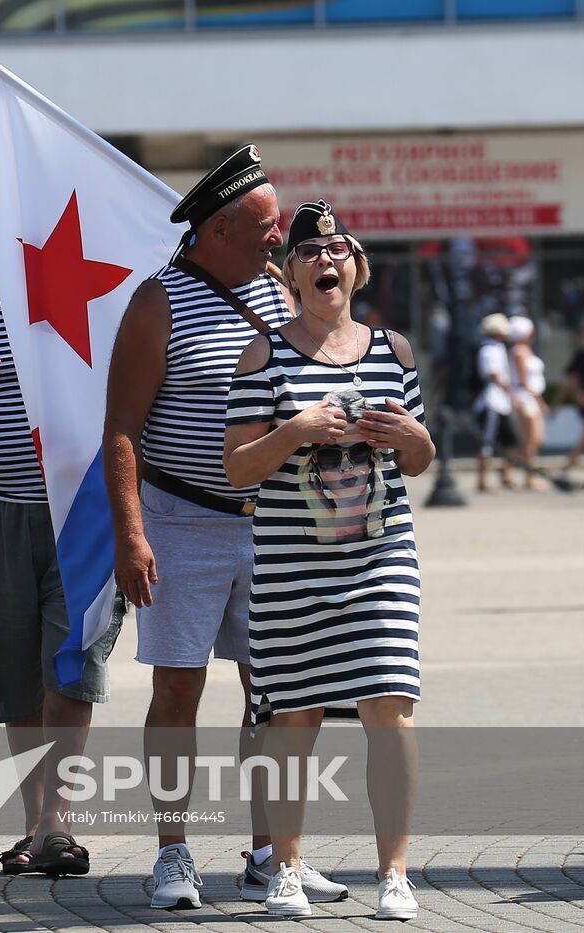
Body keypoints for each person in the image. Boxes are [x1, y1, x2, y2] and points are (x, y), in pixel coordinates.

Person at [103, 146, 345, 910]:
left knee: (273, 694)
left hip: (272, 525)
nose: (281, 238)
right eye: (267, 226)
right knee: (178, 691)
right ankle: (173, 853)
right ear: (215, 229)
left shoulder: (279, 294)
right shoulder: (157, 302)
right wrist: (130, 535)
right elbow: (121, 430)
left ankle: (273, 852)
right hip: (182, 523)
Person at [224, 201, 431, 920]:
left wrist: (406, 433)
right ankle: (285, 867)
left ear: (357, 268)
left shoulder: (392, 351)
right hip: (290, 570)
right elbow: (238, 469)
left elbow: (423, 458)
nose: (325, 261)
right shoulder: (264, 355)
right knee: (294, 717)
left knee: (390, 711)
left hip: (380, 560)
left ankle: (395, 873)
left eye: (337, 250)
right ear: (291, 273)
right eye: (309, 253)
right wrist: (298, 428)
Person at [0, 157, 117, 877]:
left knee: (70, 666)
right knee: (11, 668)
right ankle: (34, 823)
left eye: (12, 214)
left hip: (79, 511)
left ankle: (55, 825)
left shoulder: (87, 286)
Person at [473, 312, 517, 492]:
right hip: (492, 401)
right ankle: (482, 479)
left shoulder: (496, 348)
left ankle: (505, 474)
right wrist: (510, 391)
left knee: (510, 441)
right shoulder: (489, 350)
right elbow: (494, 374)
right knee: (488, 442)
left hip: (500, 401)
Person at [506, 316, 548, 489]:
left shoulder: (524, 350)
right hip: (526, 398)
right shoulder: (520, 351)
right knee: (533, 439)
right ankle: (529, 476)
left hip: (527, 397)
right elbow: (524, 381)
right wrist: (540, 401)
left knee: (533, 439)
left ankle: (508, 469)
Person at [558, 318, 584, 482]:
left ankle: (564, 471)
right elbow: (572, 378)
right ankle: (563, 471)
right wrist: (578, 394)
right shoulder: (583, 354)